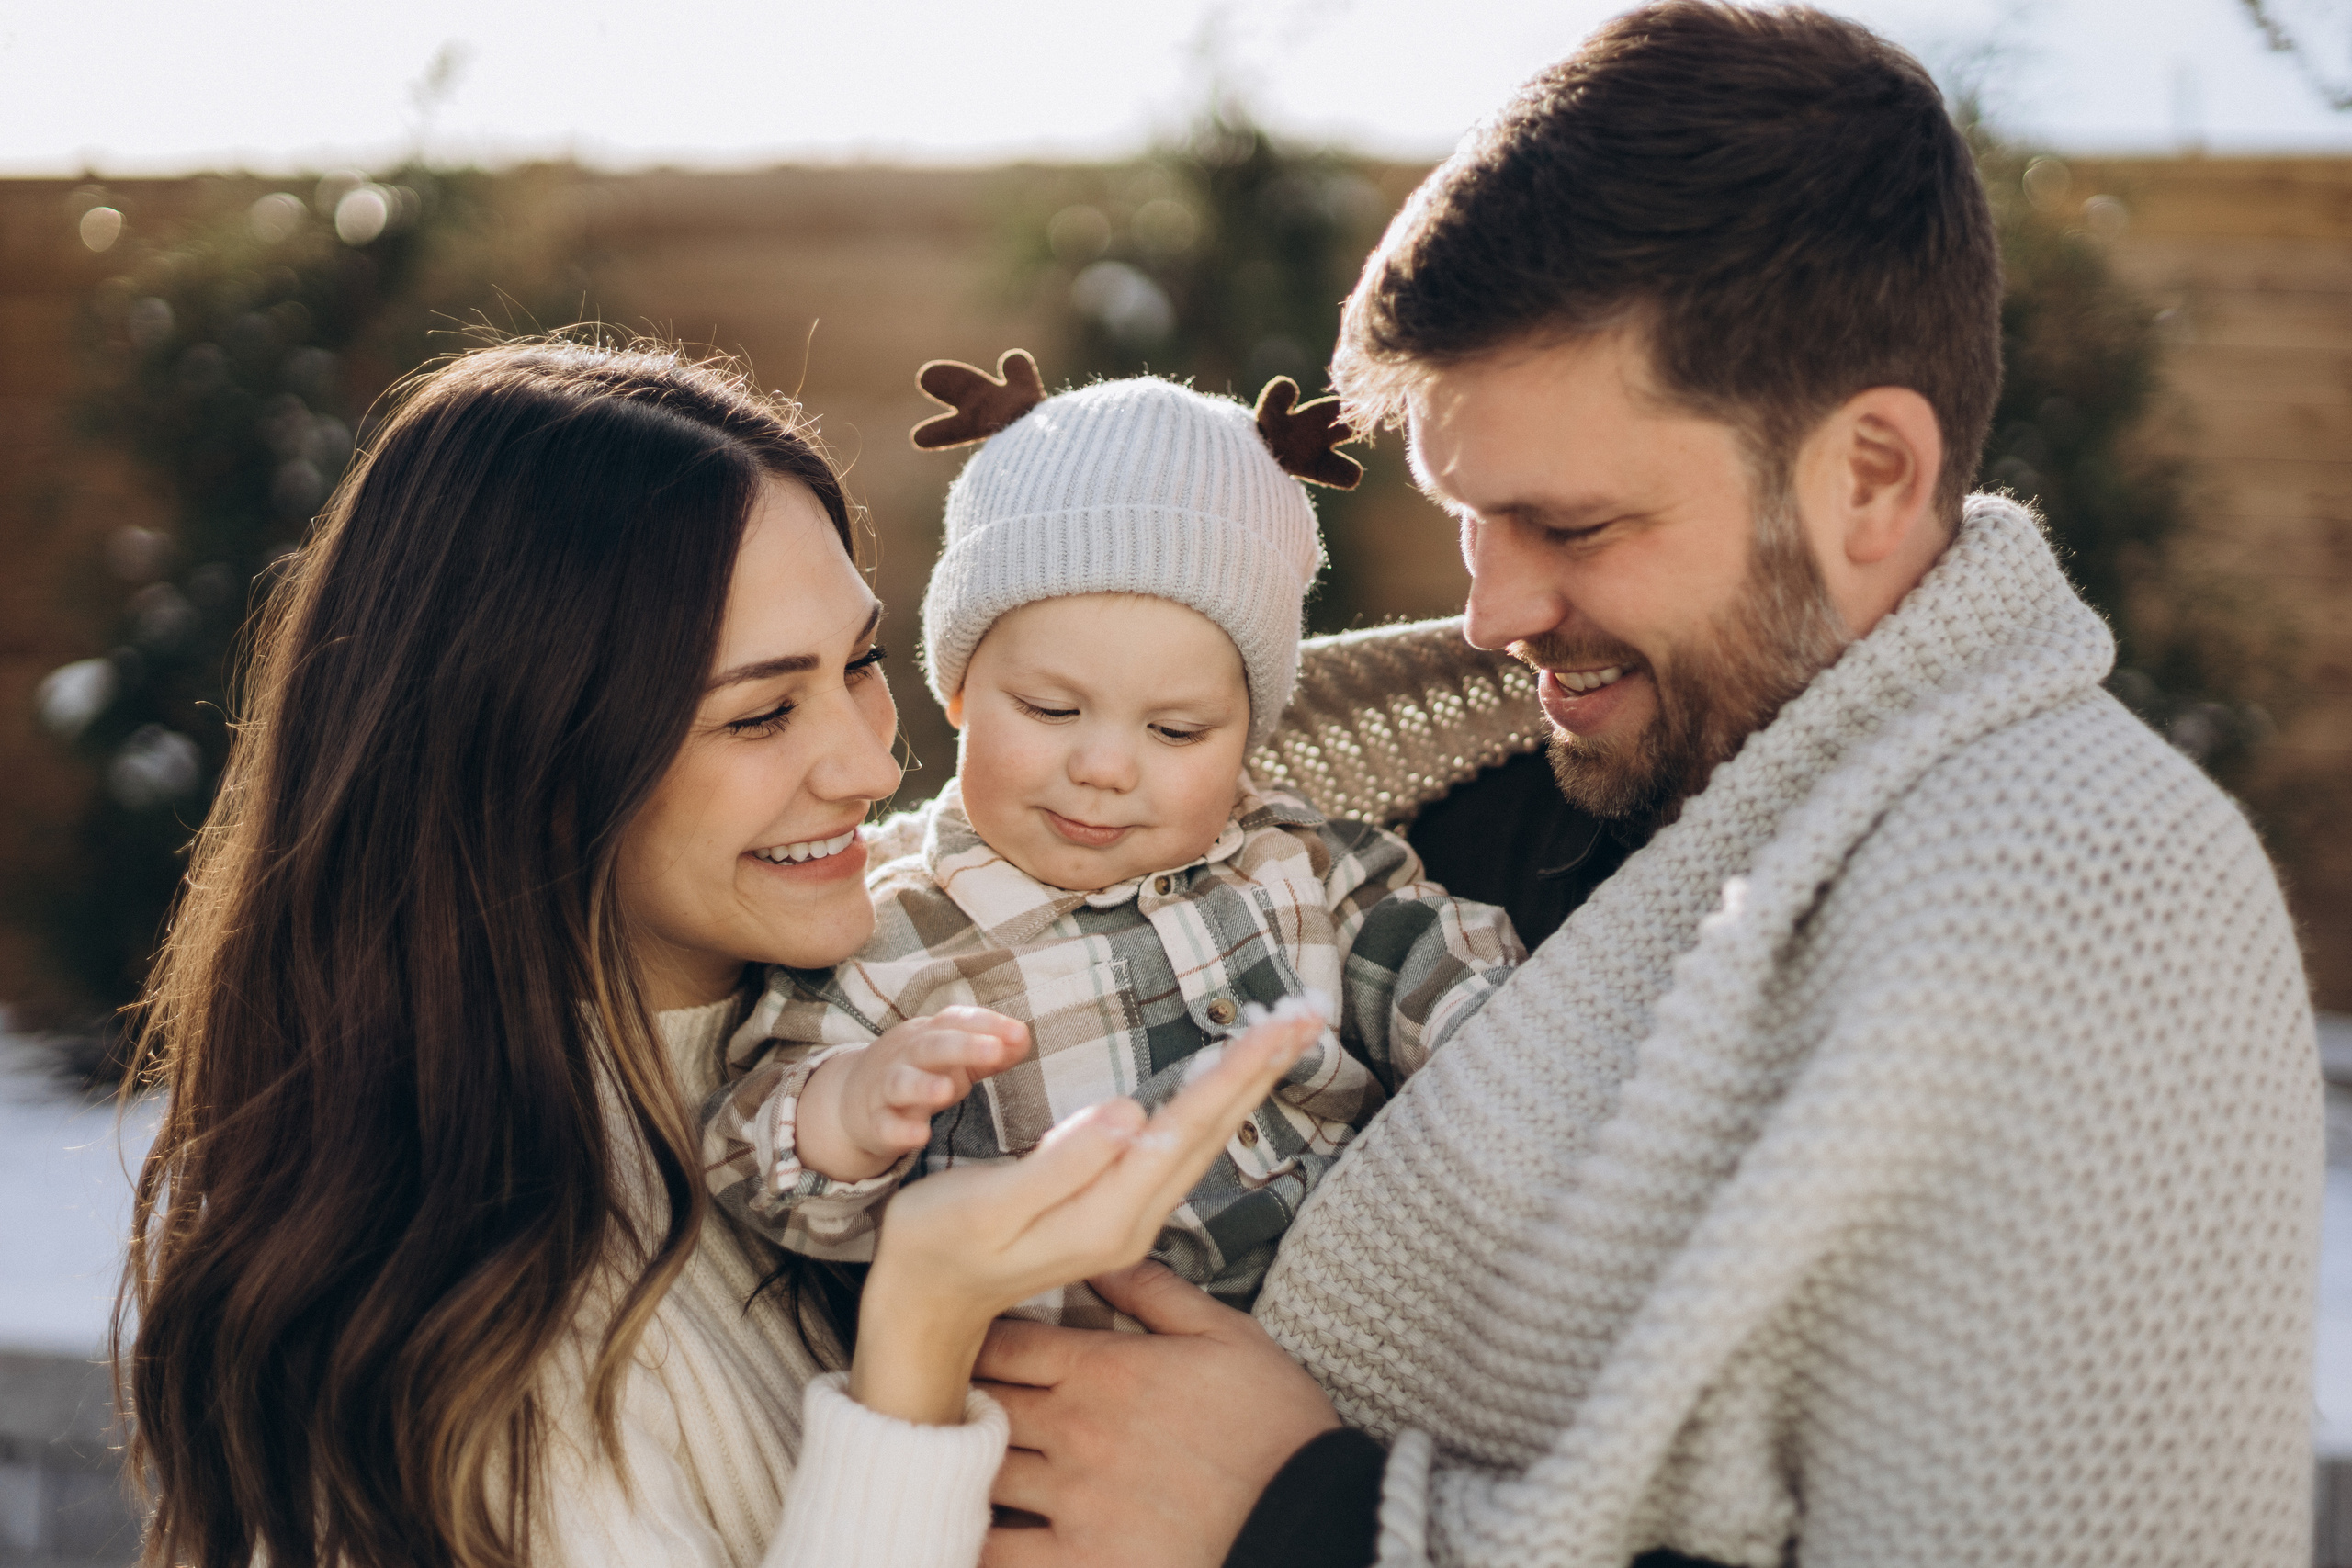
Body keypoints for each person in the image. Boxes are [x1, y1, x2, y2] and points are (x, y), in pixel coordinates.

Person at [967, 7, 2326, 1566]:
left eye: (1575, 525)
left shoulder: (2094, 891)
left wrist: (1309, 1519)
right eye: (1468, 515)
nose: (1492, 611)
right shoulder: (1451, 783)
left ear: (1870, 475)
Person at [114, 338, 1319, 1568]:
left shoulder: (931, 977)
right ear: (534, 769)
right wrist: (923, 1321)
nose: (868, 763)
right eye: (758, 713)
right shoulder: (453, 1350)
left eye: (860, 661)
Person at [701, 361, 1522, 1327]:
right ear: (957, 691)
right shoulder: (885, 938)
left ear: (1247, 733)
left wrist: (1511, 1058)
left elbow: (1448, 978)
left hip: (1351, 1333)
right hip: (1058, 1398)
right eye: (1050, 709)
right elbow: (750, 1153)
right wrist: (843, 1112)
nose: (1103, 767)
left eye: (1176, 733)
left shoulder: (1296, 863)